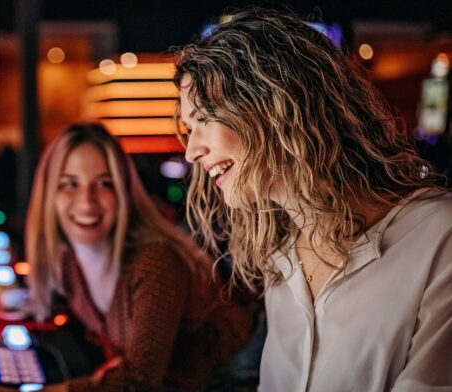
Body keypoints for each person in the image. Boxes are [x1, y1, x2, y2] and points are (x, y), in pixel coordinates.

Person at [174, 8, 452, 391]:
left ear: (276, 107)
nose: (191, 151)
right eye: (188, 130)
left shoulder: (439, 236)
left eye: (204, 119)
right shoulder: (280, 256)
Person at [24, 123, 251, 391]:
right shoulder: (67, 265)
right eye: (70, 184)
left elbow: (140, 381)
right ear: (49, 195)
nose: (87, 201)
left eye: (104, 184)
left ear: (124, 194)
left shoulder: (154, 262)